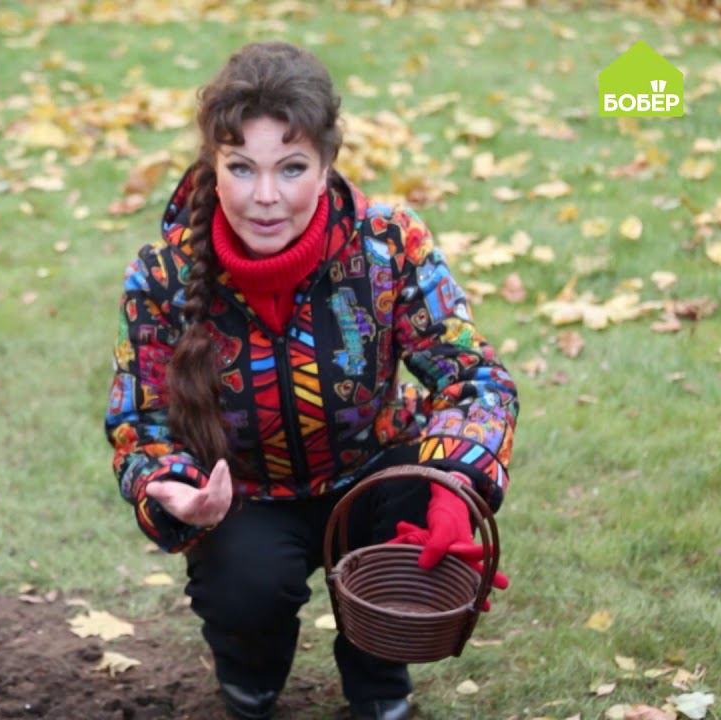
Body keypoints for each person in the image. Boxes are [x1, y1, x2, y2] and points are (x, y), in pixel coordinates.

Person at [104, 42, 518, 720]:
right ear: (215, 164)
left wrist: (456, 487)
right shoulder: (162, 275)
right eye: (242, 168)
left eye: (291, 168)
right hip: (247, 495)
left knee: (414, 511)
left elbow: (474, 378)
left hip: (375, 474)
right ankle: (249, 678)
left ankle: (380, 682)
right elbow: (139, 422)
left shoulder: (389, 244)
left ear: (326, 167)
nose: (265, 197)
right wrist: (167, 485)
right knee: (248, 589)